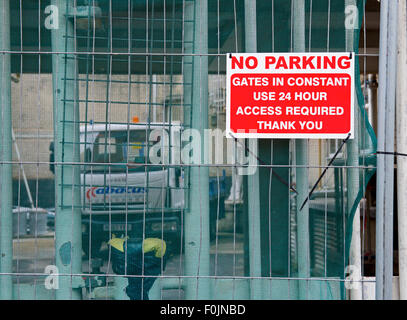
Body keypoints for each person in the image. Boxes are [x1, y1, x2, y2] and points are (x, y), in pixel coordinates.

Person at [109, 235, 167, 300]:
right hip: (150, 262)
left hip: (122, 257)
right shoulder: (159, 245)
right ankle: (135, 291)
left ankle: (134, 290)